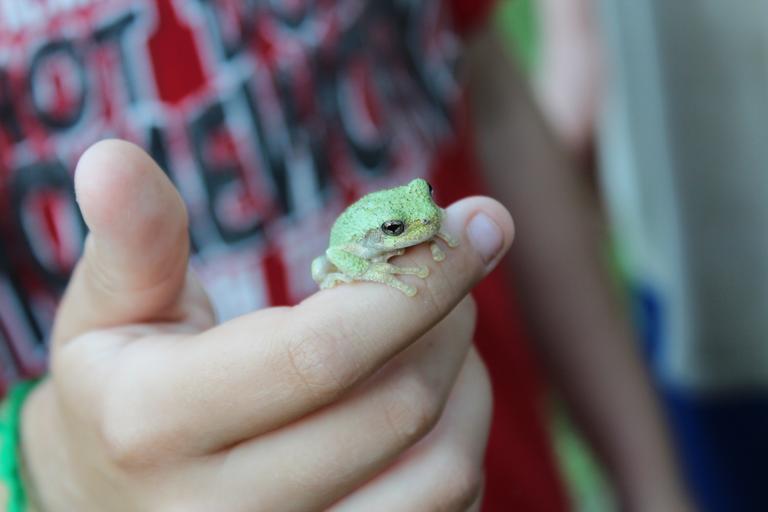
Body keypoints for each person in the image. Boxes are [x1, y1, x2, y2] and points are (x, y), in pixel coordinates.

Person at [0, 0, 690, 510]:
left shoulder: (419, 206)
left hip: (499, 460)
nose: (425, 224)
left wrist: (653, 484)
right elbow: (335, 261)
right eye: (405, 227)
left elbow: (485, 88)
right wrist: (53, 473)